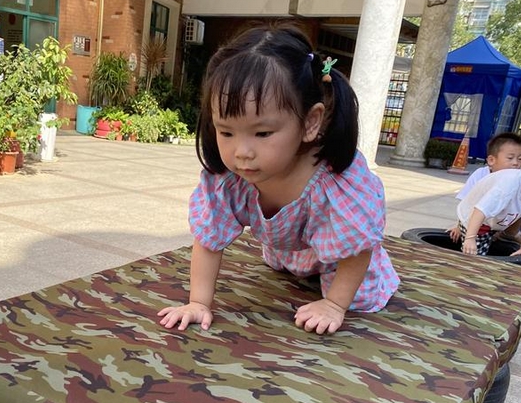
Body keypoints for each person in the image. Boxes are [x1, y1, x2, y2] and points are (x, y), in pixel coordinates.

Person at [157, 25, 399, 336]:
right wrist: (198, 302)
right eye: (226, 132)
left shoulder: (335, 182)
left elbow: (357, 250)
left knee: (360, 298)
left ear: (310, 122)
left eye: (262, 133)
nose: (242, 152)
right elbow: (208, 240)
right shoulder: (229, 180)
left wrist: (334, 305)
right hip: (289, 254)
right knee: (283, 268)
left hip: (346, 260)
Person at [457, 169, 521, 267]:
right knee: (475, 257)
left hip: (495, 222)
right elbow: (480, 211)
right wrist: (470, 238)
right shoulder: (507, 186)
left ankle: (499, 237)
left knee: (489, 246)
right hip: (475, 221)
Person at [448, 132, 521, 242]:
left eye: (520, 159)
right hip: (476, 224)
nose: (516, 163)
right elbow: (466, 203)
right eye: (510, 158)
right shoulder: (481, 174)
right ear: (491, 160)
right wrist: (460, 226)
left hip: (498, 226)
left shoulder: (519, 180)